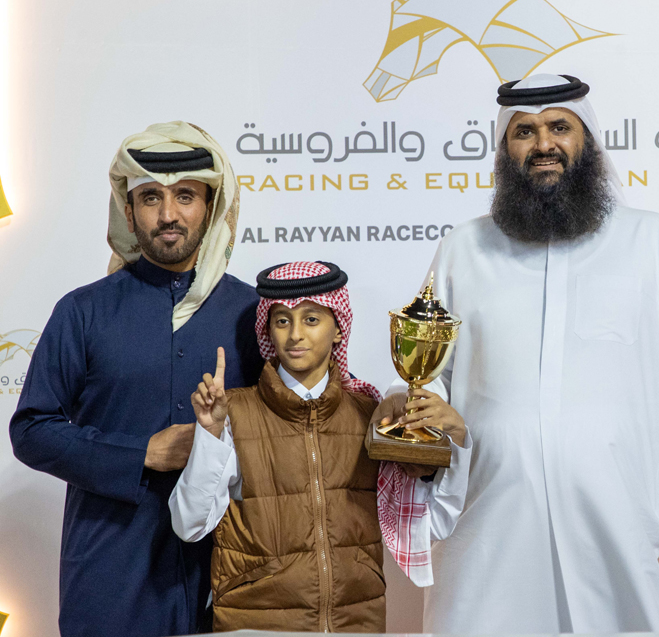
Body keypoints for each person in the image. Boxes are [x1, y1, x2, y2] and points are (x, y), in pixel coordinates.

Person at [377, 73, 659, 633]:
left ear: (587, 140)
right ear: (504, 149)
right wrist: (411, 405)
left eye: (559, 128)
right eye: (524, 131)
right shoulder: (465, 248)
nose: (543, 144)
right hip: (489, 529)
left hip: (625, 526)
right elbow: (431, 376)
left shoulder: (655, 243)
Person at [9, 122, 264, 637]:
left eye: (185, 196)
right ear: (128, 212)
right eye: (150, 197)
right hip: (110, 575)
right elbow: (31, 430)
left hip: (233, 579)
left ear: (210, 207)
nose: (168, 214)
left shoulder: (251, 314)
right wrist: (142, 453)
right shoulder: (83, 312)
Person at [169, 260, 472, 632]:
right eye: (282, 321)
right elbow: (190, 524)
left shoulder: (369, 415)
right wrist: (211, 434)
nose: (295, 334)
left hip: (356, 623)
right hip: (255, 624)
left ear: (338, 330)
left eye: (311, 319)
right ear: (268, 331)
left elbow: (434, 523)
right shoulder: (235, 413)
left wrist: (455, 444)